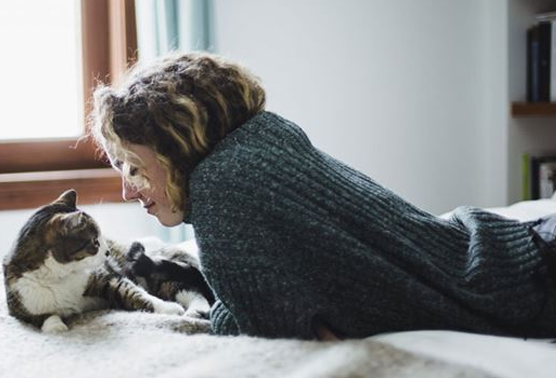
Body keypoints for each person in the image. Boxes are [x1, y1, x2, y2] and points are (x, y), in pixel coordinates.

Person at [89, 51, 556, 341]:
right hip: (507, 248)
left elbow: (267, 330)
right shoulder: (262, 137)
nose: (129, 189)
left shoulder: (218, 190)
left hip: (524, 282)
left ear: (174, 146)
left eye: (135, 168)